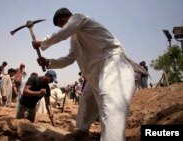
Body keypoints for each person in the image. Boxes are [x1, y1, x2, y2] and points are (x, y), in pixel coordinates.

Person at [32, 7, 148, 141]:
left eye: (62, 22)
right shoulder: (74, 39)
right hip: (94, 74)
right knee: (86, 99)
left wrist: (42, 43)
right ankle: (82, 130)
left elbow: (63, 32)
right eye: (60, 25)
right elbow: (69, 59)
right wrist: (48, 62)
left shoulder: (79, 18)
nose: (62, 26)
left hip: (112, 63)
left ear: (69, 16)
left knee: (111, 103)